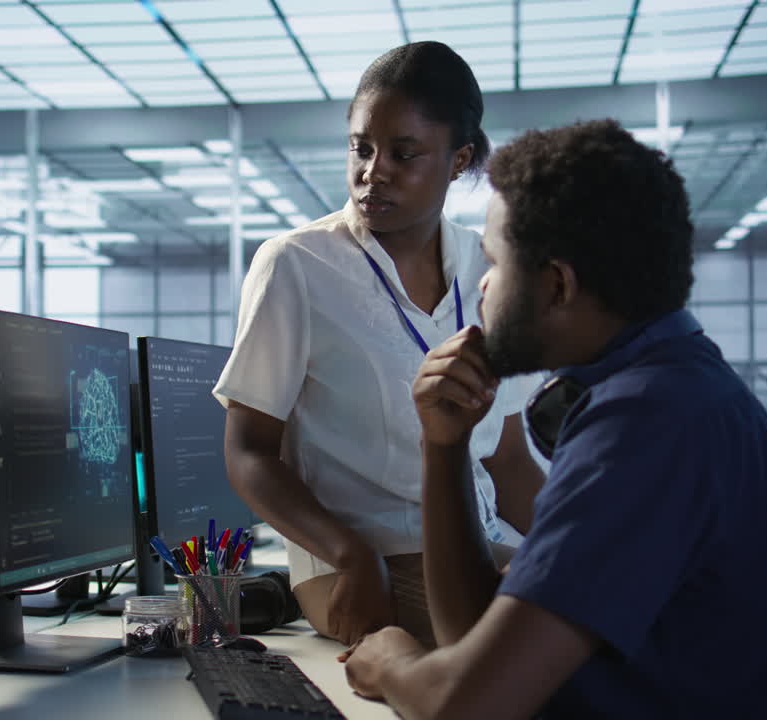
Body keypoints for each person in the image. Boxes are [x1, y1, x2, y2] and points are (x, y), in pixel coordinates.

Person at [342, 119, 767, 718]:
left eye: (495, 263)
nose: (485, 286)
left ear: (556, 287)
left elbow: (467, 705)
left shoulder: (647, 426)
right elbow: (475, 641)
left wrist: (393, 663)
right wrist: (444, 447)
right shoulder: (675, 387)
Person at [213, 41, 546, 649]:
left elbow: (509, 460)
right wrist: (351, 554)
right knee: (530, 644)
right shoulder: (297, 265)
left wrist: (584, 540)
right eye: (361, 149)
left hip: (485, 539)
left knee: (616, 606)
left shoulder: (486, 266)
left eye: (404, 153)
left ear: (458, 159)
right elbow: (248, 452)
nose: (374, 171)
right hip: (364, 563)